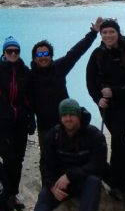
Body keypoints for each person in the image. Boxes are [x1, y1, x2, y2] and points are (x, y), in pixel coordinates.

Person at [27, 17, 103, 179]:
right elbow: (13, 70)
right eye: (39, 54)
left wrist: (93, 33)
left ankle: (75, 185)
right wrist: (1, 63)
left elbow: (76, 52)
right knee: (48, 159)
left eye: (46, 53)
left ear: (51, 56)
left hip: (68, 122)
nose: (43, 57)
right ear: (34, 58)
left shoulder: (59, 67)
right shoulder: (29, 76)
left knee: (73, 155)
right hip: (45, 126)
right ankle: (49, 189)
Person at [25, 98, 107, 211]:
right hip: (60, 185)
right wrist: (51, 187)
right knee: (45, 194)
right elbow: (46, 166)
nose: (68, 118)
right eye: (64, 115)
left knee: (94, 182)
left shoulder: (94, 135)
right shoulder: (53, 136)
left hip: (83, 182)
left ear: (79, 116)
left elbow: (98, 165)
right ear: (60, 117)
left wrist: (70, 175)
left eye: (72, 114)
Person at [85, 19, 125, 203]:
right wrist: (97, 99)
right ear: (101, 35)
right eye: (104, 33)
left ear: (118, 33)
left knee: (118, 136)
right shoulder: (97, 54)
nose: (108, 36)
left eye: (111, 32)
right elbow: (91, 81)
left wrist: (114, 91)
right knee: (120, 138)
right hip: (106, 106)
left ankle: (118, 185)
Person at [0, 36, 33, 207]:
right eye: (9, 51)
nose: (13, 53)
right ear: (4, 52)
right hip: (2, 121)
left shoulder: (25, 71)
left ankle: (13, 193)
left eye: (16, 51)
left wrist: (31, 120)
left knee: (18, 159)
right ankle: (7, 191)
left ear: (19, 52)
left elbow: (29, 98)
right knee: (8, 157)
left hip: (20, 121)